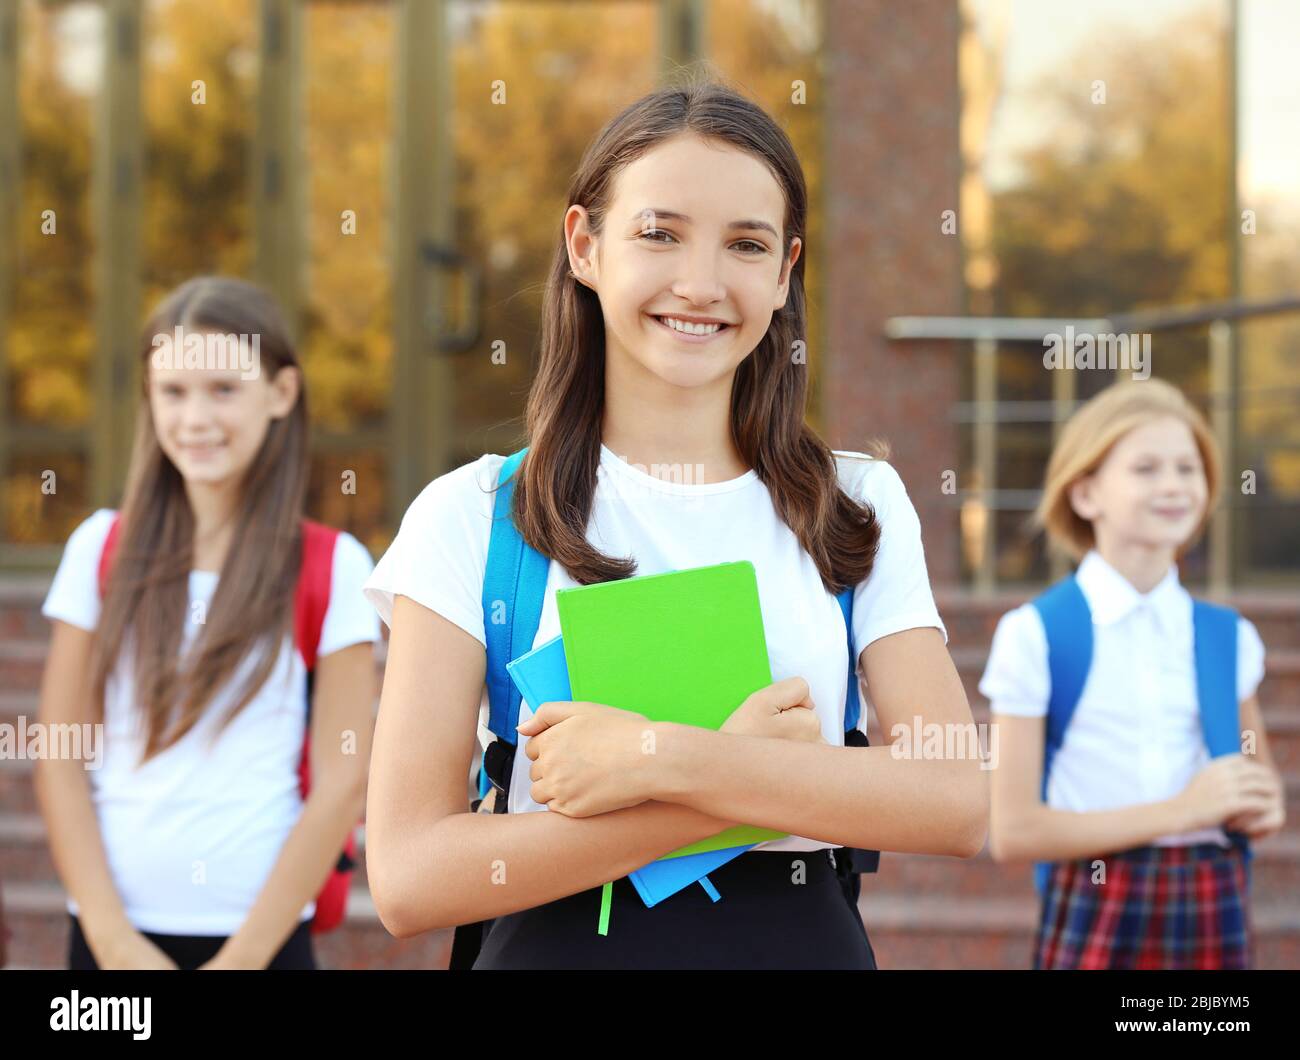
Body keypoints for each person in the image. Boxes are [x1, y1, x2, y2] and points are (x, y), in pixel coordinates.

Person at [362, 79, 987, 970]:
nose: (701, 284)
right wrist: (738, 777)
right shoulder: (474, 516)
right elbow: (410, 877)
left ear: (784, 274)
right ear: (584, 245)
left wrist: (659, 758)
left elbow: (955, 800)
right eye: (659, 233)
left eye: (746, 245)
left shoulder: (857, 501)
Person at [34, 276, 380, 970]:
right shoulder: (97, 549)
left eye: (224, 390)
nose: (195, 418)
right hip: (111, 946)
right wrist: (113, 942)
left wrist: (242, 960)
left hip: (260, 946)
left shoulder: (331, 564)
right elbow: (59, 756)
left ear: (281, 394)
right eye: (173, 392)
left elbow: (344, 778)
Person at [981, 377, 1286, 969]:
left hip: (1210, 899)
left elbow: (1257, 787)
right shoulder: (1036, 633)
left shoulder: (1230, 637)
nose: (1173, 485)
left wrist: (1261, 805)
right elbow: (1014, 831)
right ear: (1086, 493)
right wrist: (1183, 810)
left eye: (1187, 468)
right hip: (1097, 902)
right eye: (1146, 468)